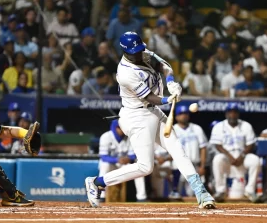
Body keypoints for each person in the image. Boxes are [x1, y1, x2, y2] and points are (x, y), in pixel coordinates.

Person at [85, 31, 215, 209]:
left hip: (153, 112)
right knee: (146, 167)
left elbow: (165, 66)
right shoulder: (125, 73)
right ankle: (98, 182)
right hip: (136, 116)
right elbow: (149, 97)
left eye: (140, 49)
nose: (140, 54)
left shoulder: (142, 53)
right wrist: (168, 99)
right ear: (125, 52)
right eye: (135, 52)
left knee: (177, 149)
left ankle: (201, 192)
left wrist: (170, 82)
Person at [210, 103, 260, 203]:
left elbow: (251, 144)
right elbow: (218, 145)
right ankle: (220, 190)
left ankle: (250, 191)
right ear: (226, 114)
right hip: (227, 158)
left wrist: (242, 156)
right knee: (217, 159)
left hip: (242, 157)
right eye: (230, 112)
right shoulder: (219, 126)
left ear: (238, 114)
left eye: (235, 112)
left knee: (255, 160)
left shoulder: (246, 125)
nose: (232, 115)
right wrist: (230, 156)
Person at [98, 120, 147, 202]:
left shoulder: (130, 136)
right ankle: (101, 196)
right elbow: (103, 157)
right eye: (119, 128)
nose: (121, 130)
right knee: (104, 165)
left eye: (123, 127)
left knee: (139, 169)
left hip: (124, 164)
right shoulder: (106, 136)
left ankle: (141, 197)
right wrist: (117, 160)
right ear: (114, 127)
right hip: (112, 164)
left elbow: (133, 155)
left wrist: (129, 158)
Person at [170, 106, 208, 199]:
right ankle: (174, 191)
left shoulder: (197, 128)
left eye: (185, 114)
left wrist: (202, 166)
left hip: (194, 165)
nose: (184, 116)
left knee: (193, 195)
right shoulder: (172, 130)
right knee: (175, 196)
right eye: (181, 114)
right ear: (176, 117)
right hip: (178, 166)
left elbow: (203, 148)